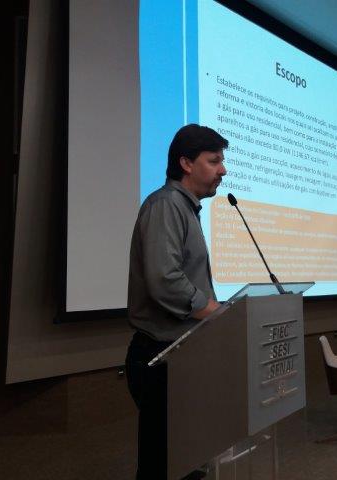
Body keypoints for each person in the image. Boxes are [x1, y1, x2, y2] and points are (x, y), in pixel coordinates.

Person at [125, 124, 228, 480]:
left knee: (183, 460)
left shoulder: (186, 209)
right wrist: (215, 311)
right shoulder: (166, 205)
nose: (223, 170)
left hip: (182, 354)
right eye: (214, 161)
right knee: (161, 465)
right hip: (160, 356)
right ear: (186, 163)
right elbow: (165, 279)